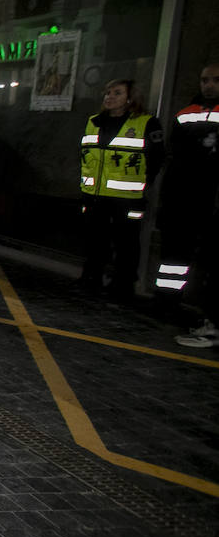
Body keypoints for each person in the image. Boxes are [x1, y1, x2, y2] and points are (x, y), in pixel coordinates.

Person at [78, 78, 164, 301]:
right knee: (95, 240)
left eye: (117, 93)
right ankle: (91, 277)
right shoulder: (94, 121)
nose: (109, 97)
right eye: (107, 92)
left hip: (127, 198)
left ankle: (122, 285)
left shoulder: (146, 123)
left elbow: (156, 159)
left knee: (126, 243)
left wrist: (145, 183)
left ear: (130, 98)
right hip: (95, 195)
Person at [160, 65, 219, 346]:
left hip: (210, 198)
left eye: (216, 80)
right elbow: (175, 155)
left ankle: (207, 315)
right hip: (183, 196)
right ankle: (168, 302)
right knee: (174, 256)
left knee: (206, 260)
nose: (209, 85)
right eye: (205, 79)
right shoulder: (186, 113)